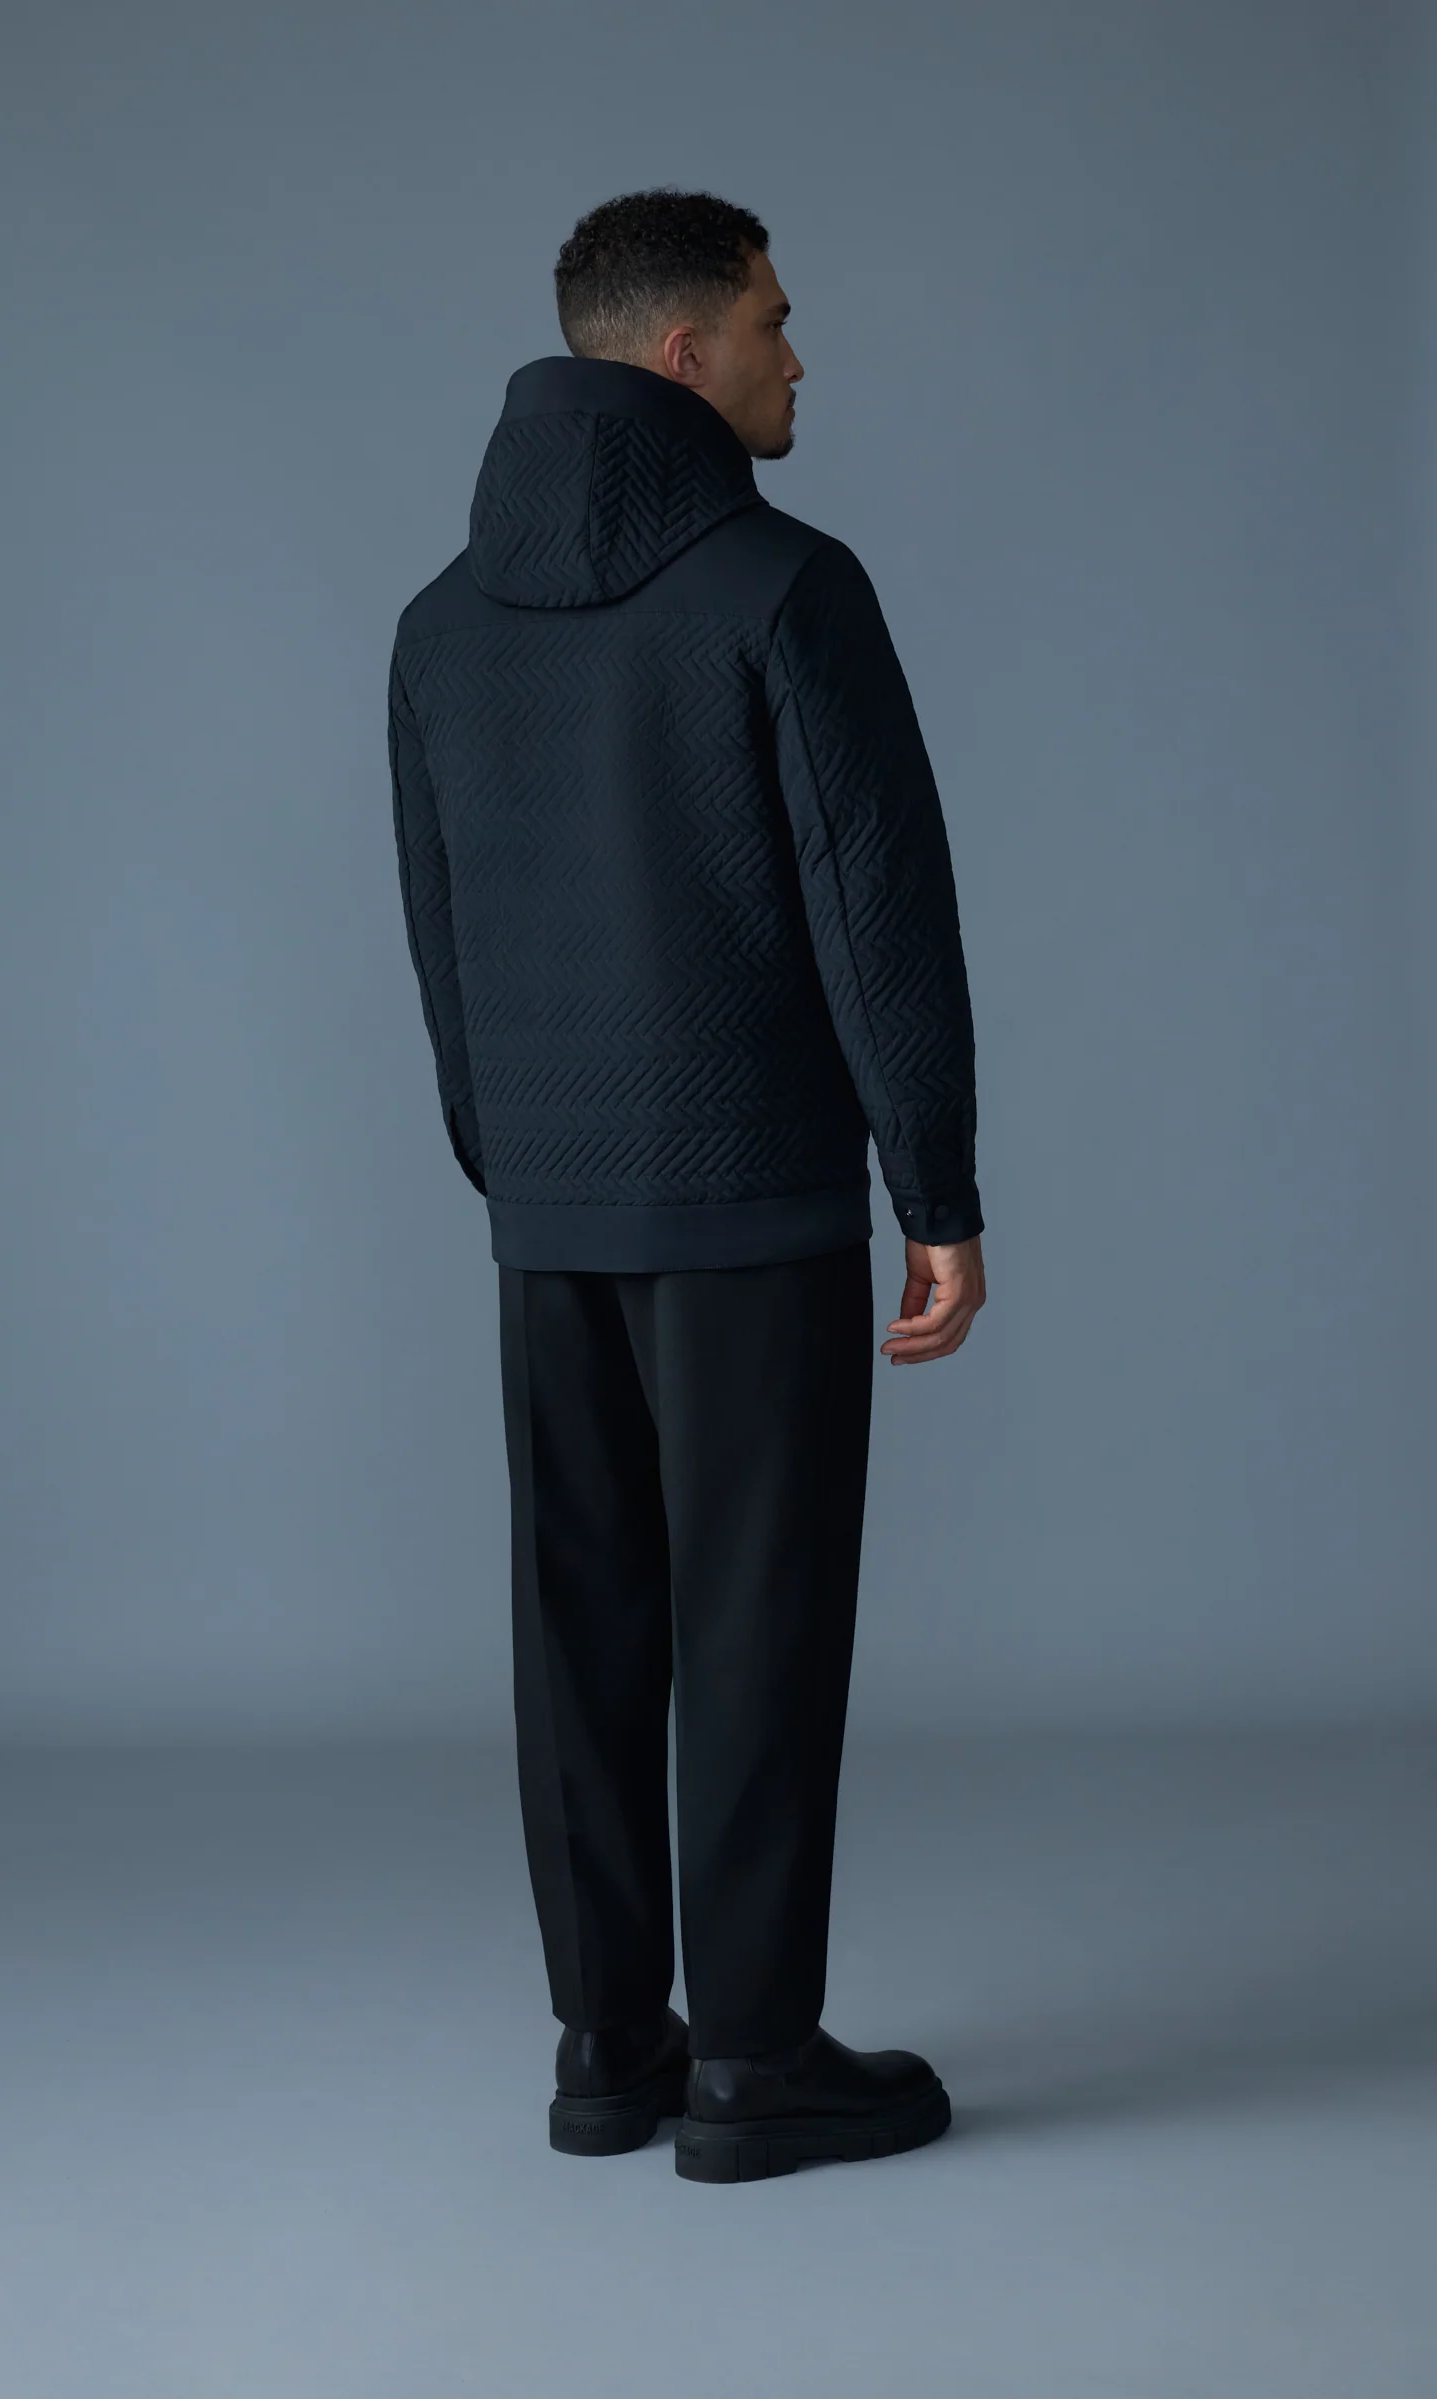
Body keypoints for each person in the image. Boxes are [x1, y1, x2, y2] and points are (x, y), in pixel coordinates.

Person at [388, 187, 987, 2184]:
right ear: (682, 353)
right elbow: (877, 914)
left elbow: (439, 936)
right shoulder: (783, 587)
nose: (798, 358)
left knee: (576, 1620)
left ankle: (603, 2046)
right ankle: (749, 2062)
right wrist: (936, 1184)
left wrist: (512, 1163)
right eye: (773, 321)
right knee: (753, 1618)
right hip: (749, 1203)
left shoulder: (439, 623)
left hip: (549, 1203)